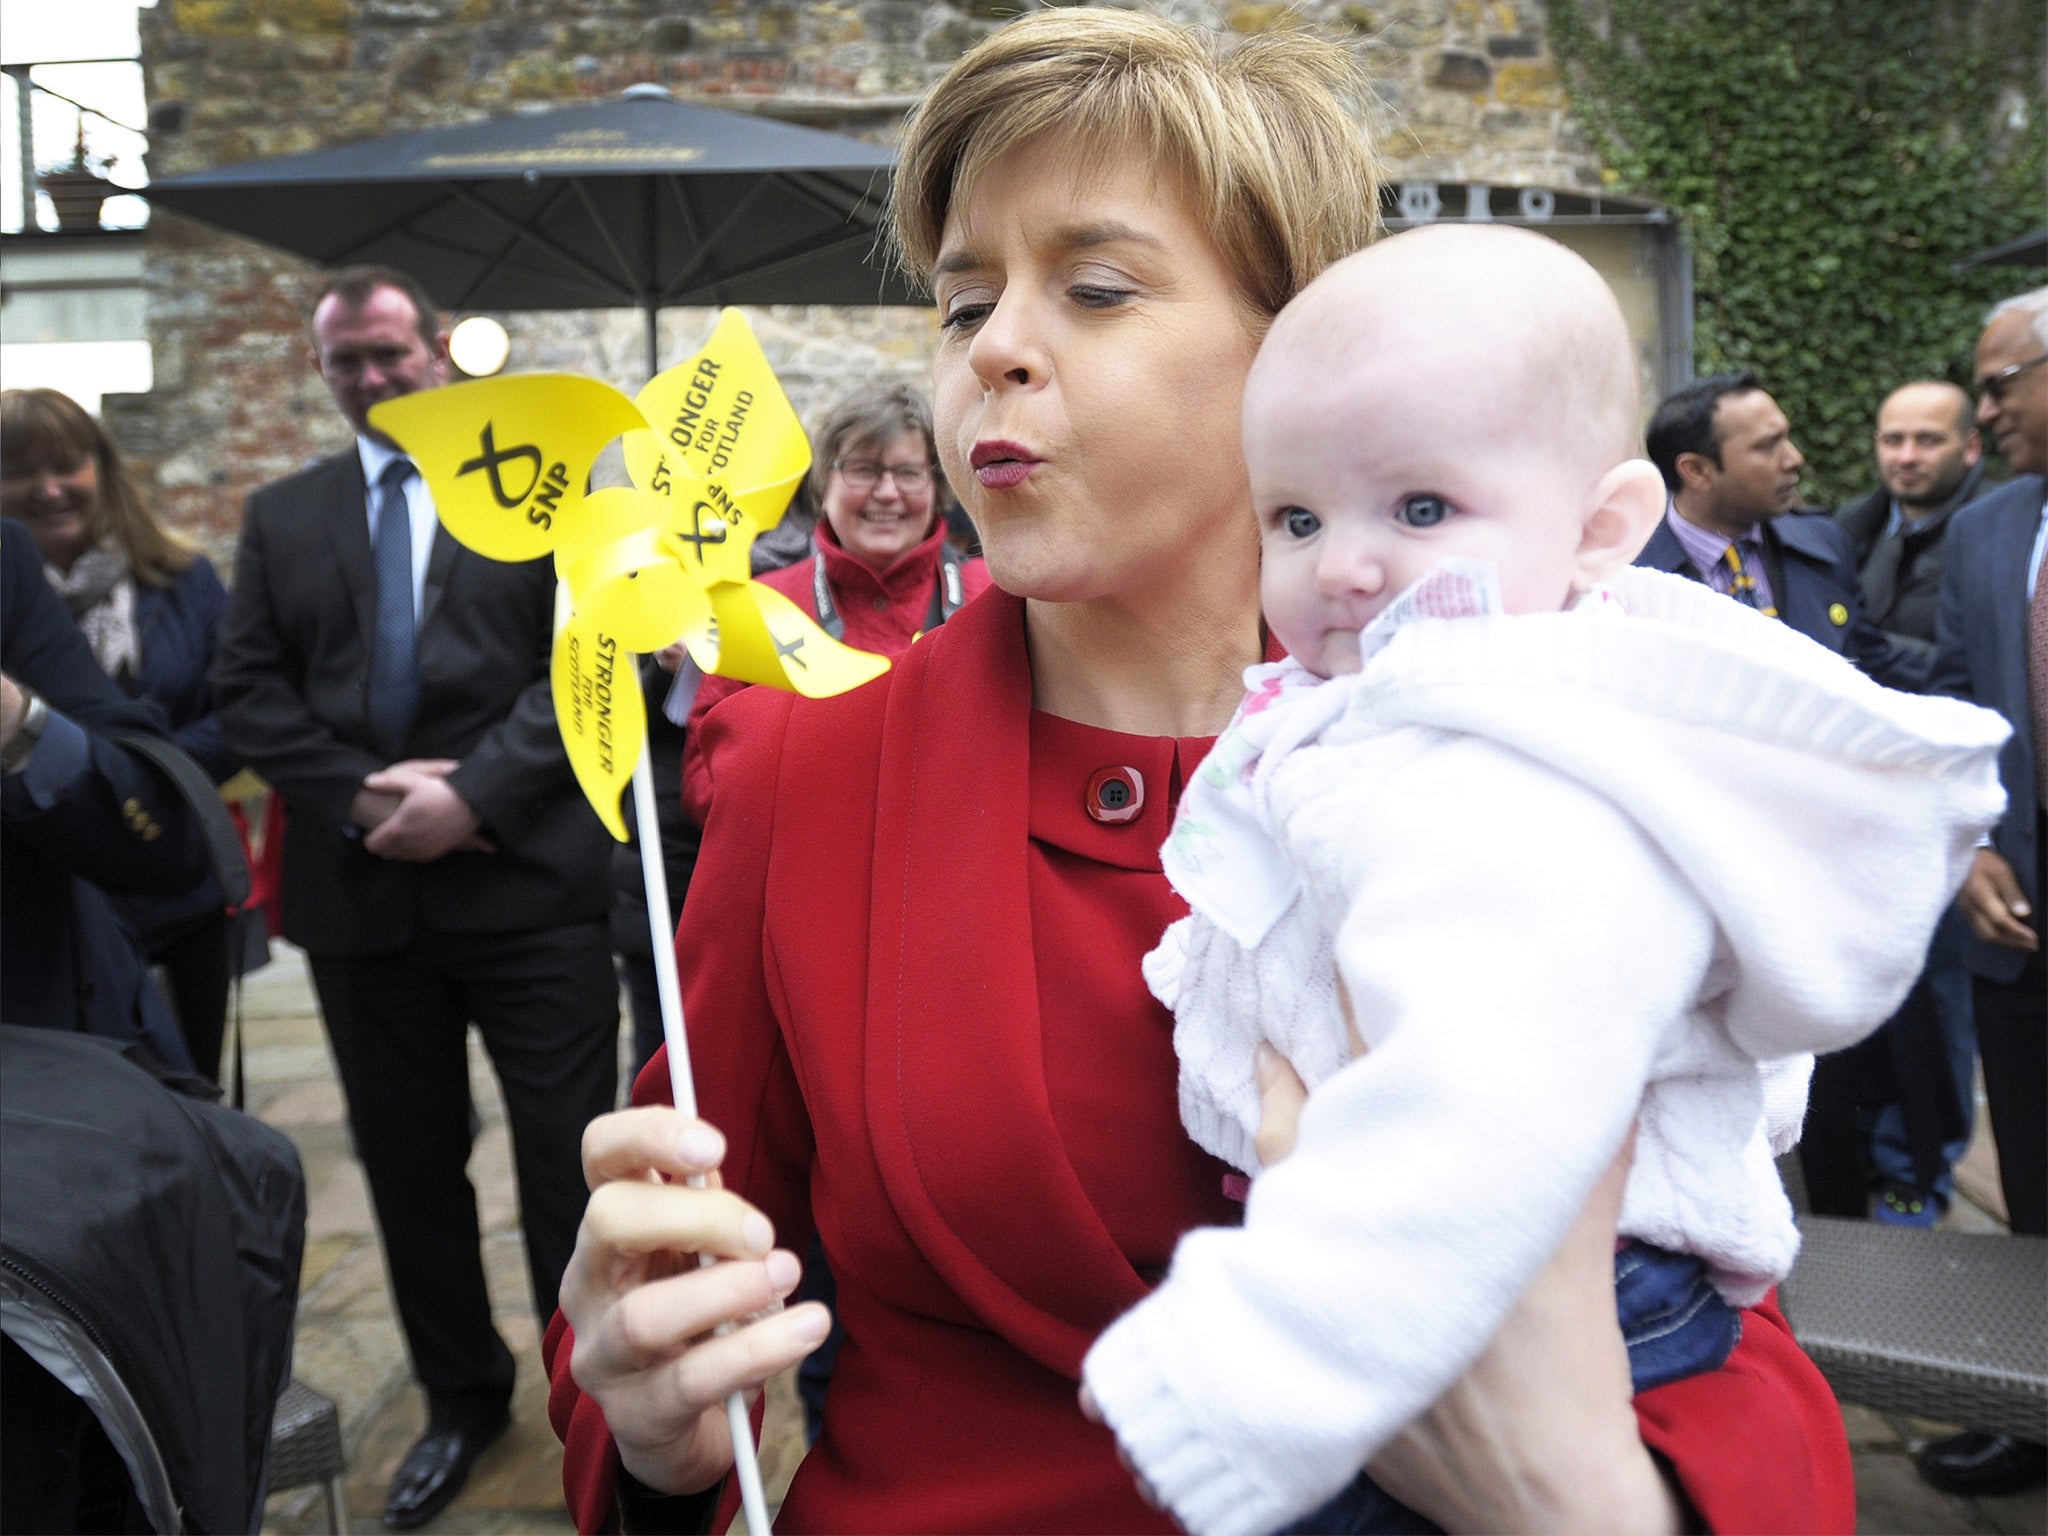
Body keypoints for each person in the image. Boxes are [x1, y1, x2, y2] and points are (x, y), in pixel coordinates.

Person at [546, 14, 1859, 1534]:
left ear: (1298, 354)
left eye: (1094, 289)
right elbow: (685, 1288)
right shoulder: (804, 772)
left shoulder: (1538, 752)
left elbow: (1705, 1280)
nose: (991, 348)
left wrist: (1588, 1496)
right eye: (965, 297)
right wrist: (656, 1439)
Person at [1074, 226, 2006, 1536]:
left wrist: (1264, 1354)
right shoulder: (1395, 702)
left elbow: (1490, 1079)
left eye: (1419, 509)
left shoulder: (1525, 770)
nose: (1340, 565)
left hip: (1495, 1275)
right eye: (1294, 517)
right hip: (1448, 1247)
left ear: (1602, 530)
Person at [210, 264, 618, 1528]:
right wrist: (364, 797)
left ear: (439, 351)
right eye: (349, 362)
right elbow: (250, 687)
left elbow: (581, 657)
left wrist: (478, 794)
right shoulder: (286, 516)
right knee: (407, 1166)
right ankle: (460, 1398)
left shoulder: (536, 492)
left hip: (531, 888)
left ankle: (588, 1401)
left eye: (392, 353)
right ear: (324, 372)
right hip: (362, 897)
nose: (375, 379)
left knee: (568, 1160)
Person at [1, 387, 241, 1079]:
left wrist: (148, 774)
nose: (49, 489)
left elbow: (234, 708)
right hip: (55, 895)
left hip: (163, 869)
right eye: (21, 471)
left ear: (102, 469)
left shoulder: (180, 576)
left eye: (66, 465)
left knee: (185, 1087)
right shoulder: (17, 582)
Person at [1916, 284, 2048, 1499]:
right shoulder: (1987, 527)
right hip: (2019, 922)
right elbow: (1961, 705)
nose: (1981, 408)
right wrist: (1971, 845)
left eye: (1998, 381)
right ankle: (2033, 1410)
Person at [678, 383, 992, 827]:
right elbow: (703, 785)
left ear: (937, 486)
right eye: (863, 470)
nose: (886, 493)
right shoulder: (758, 607)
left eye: (907, 472)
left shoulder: (993, 601)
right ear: (825, 481)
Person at [1834, 380, 1990, 1224]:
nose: (1905, 456)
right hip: (1858, 810)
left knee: (1940, 1005)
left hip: (1944, 810)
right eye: (1893, 438)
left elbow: (1959, 670)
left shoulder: (1991, 535)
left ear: (1970, 448)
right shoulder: (1845, 531)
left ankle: (1920, 1171)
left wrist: (1849, 650)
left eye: (1927, 440)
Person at [1, 517, 209, 1063]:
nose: (48, 491)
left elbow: (164, 841)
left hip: (31, 1073)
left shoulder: (6, 558)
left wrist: (17, 724)